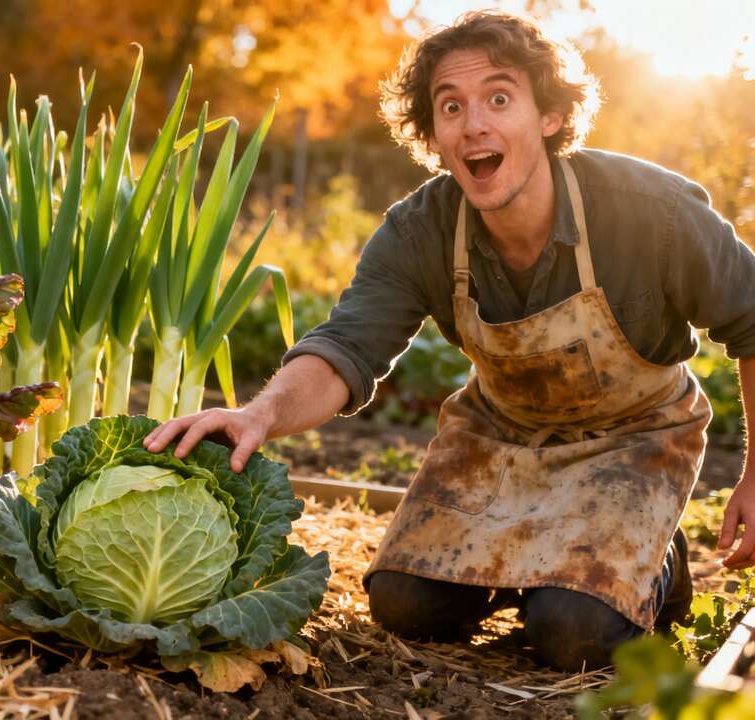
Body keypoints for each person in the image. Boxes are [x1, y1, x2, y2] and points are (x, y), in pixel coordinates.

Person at [143, 9, 755, 671]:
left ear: (550, 115)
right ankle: (552, 564)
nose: (474, 124)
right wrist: (259, 414)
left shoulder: (651, 212)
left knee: (574, 632)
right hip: (501, 436)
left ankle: (654, 561)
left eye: (500, 98)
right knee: (405, 606)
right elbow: (346, 348)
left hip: (633, 441)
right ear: (434, 135)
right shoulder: (420, 230)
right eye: (451, 106)